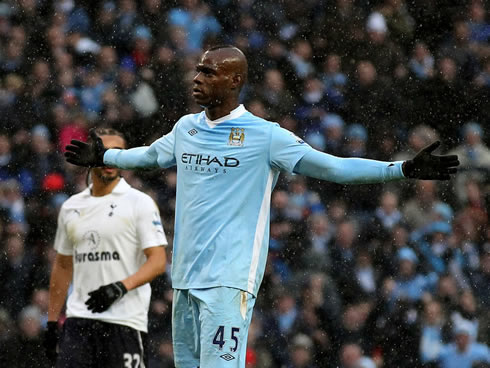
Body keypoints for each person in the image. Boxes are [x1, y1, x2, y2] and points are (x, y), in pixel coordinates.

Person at [64, 45, 460, 368]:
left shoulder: (264, 136)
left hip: (228, 279)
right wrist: (104, 157)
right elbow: (150, 157)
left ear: (235, 81)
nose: (197, 79)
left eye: (208, 73)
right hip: (184, 278)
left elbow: (334, 168)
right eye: (198, 70)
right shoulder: (187, 128)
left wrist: (401, 170)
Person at [45, 128, 168, 367]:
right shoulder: (71, 207)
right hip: (78, 322)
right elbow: (62, 265)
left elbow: (158, 261)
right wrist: (51, 322)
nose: (109, 158)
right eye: (102, 151)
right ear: (90, 155)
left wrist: (119, 288)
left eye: (117, 152)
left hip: (124, 322)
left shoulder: (139, 203)